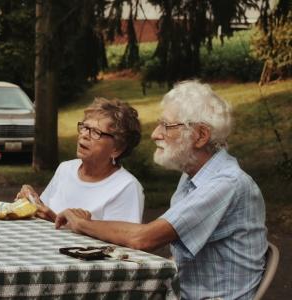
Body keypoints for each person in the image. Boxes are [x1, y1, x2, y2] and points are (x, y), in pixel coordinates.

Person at [55, 81, 267, 299]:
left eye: (167, 126)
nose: (155, 134)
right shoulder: (193, 175)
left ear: (201, 135)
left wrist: (83, 224)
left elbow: (144, 238)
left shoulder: (226, 183)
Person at [18, 97, 144, 223]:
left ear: (117, 148)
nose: (84, 135)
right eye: (84, 127)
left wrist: (53, 219)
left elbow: (120, 239)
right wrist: (32, 201)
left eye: (96, 132)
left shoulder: (126, 186)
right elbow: (43, 213)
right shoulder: (66, 169)